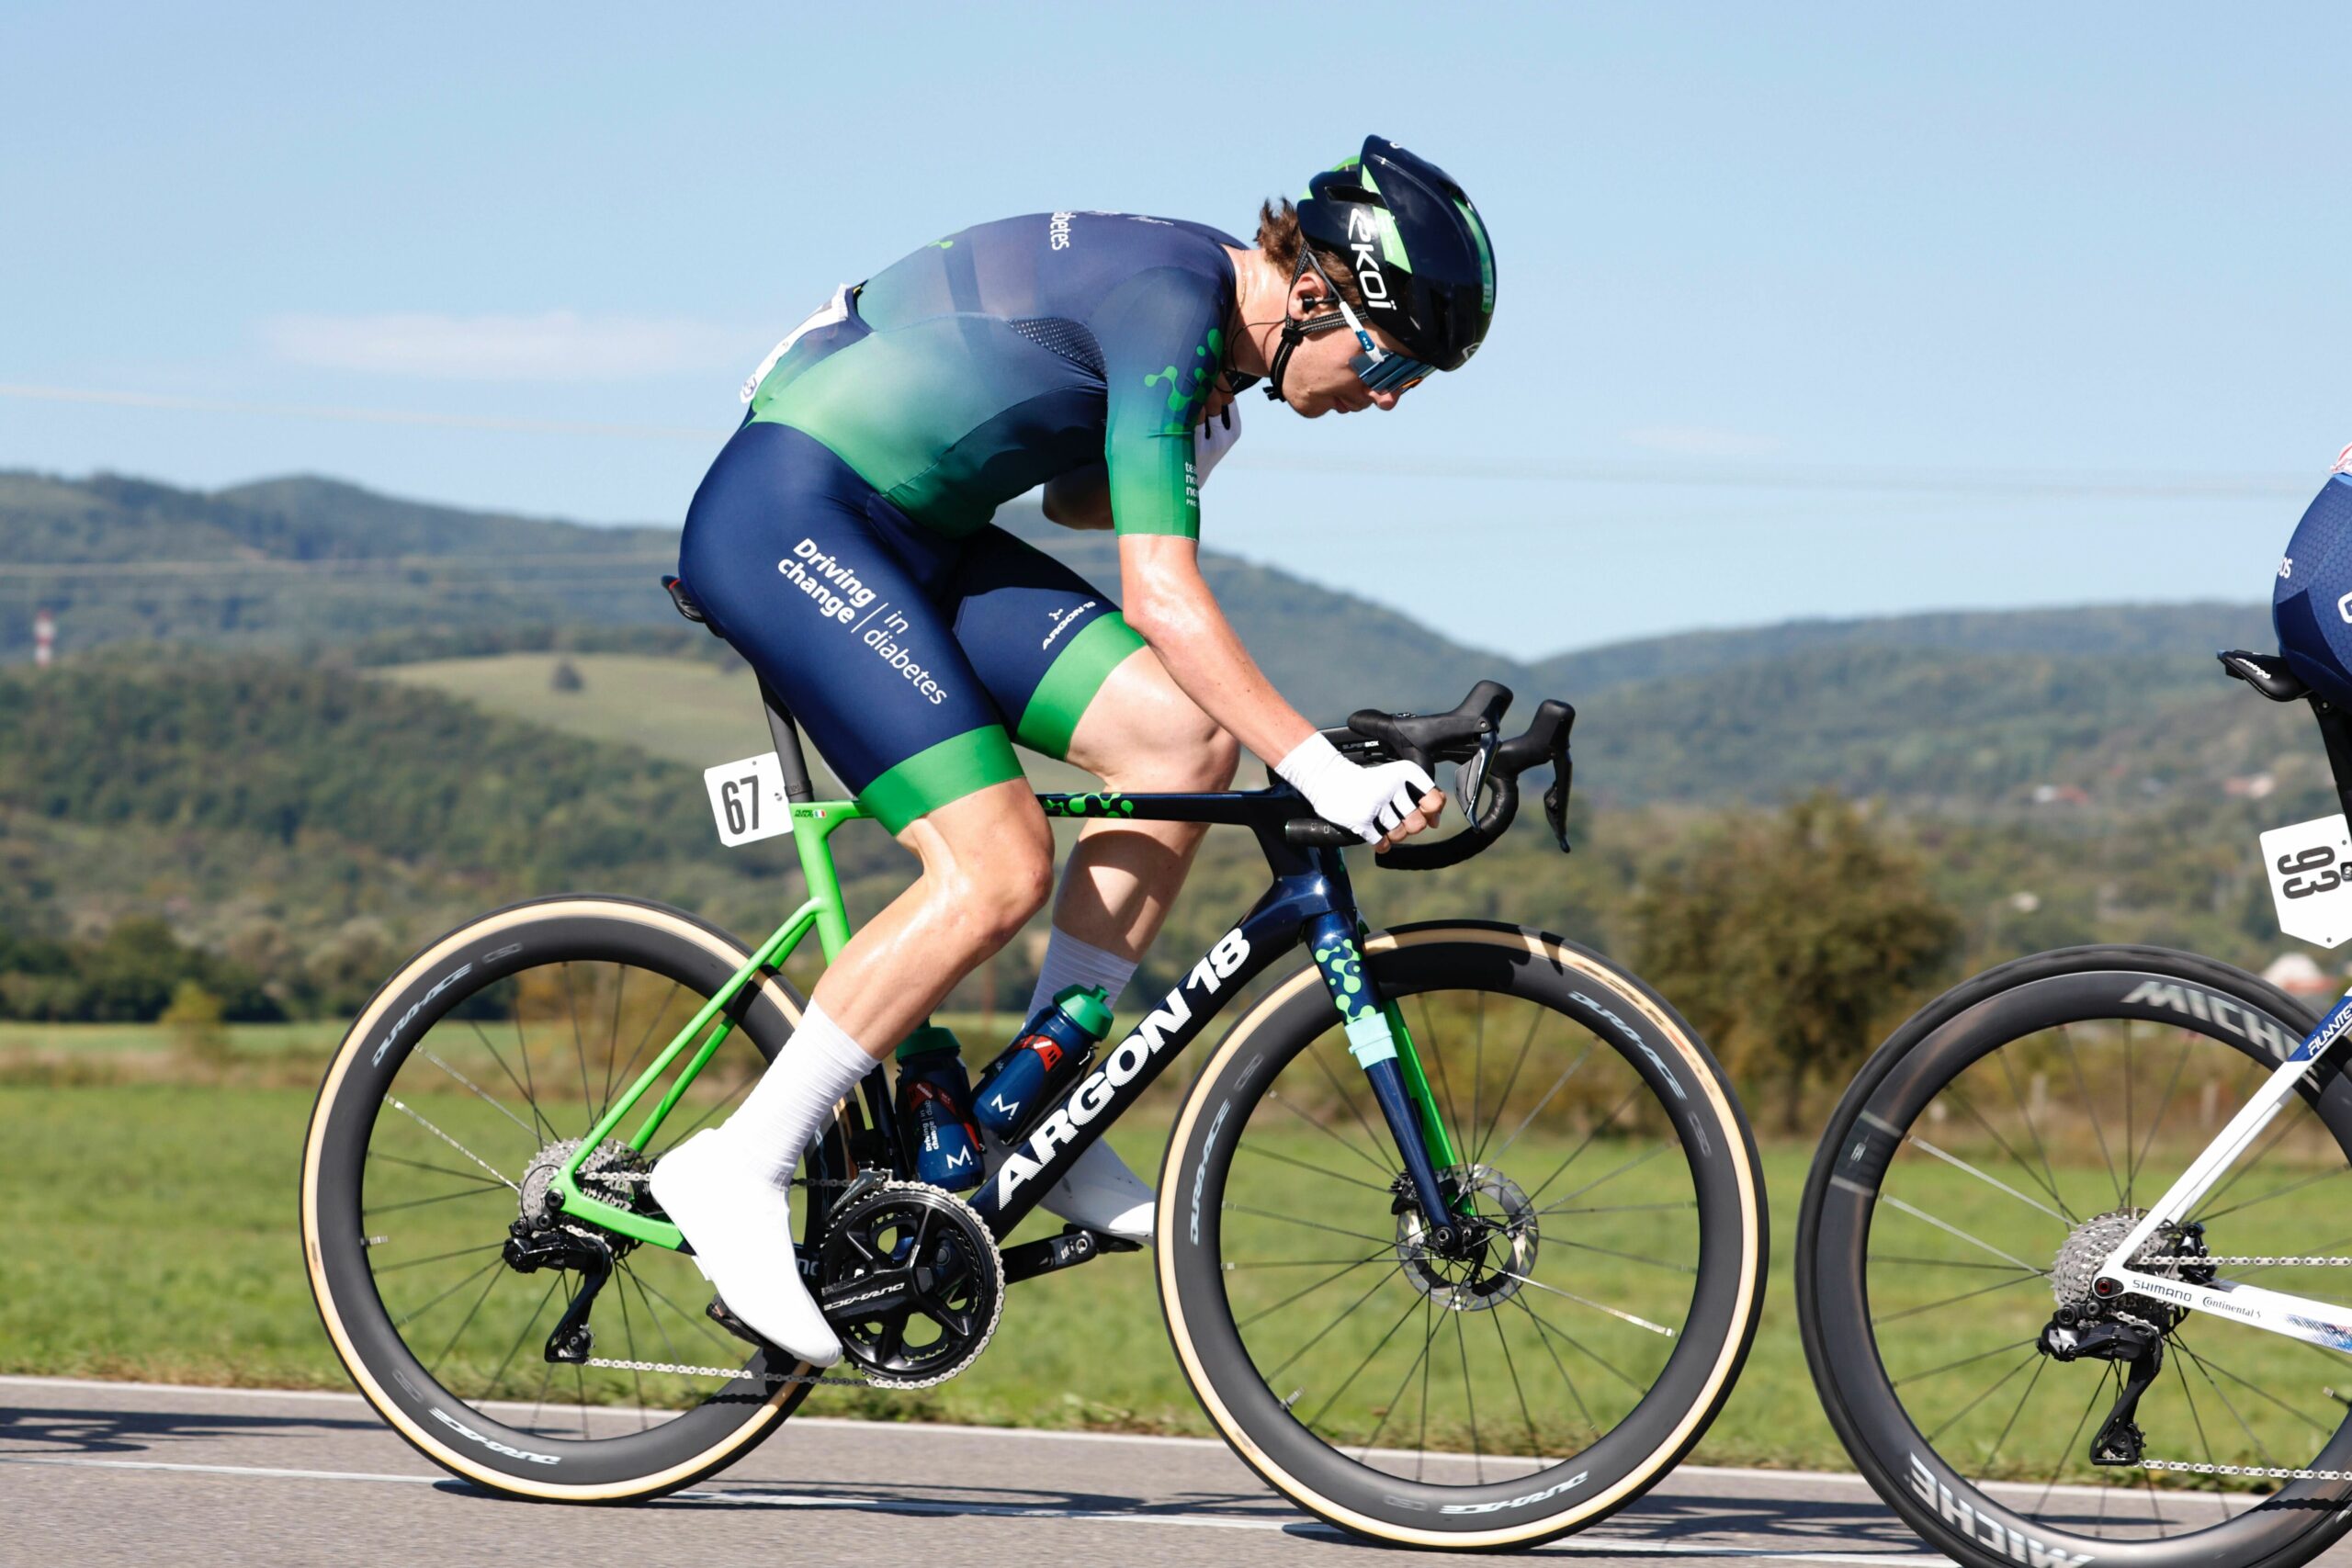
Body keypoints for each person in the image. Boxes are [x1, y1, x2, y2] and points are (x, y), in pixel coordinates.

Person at [651, 137, 1498, 1366]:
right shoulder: (1173, 304)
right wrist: (1320, 767)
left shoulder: (1210, 347)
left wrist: (1193, 444)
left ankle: (1034, 1109)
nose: (1389, 398)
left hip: (916, 536)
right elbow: (1162, 594)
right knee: (995, 865)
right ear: (1318, 295)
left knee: (1183, 737)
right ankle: (736, 1167)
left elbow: (1073, 504)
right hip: (790, 517)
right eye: (1391, 360)